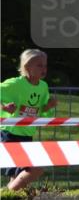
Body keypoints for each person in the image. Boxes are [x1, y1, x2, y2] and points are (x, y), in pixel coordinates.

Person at [2, 49, 58, 191]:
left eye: (45, 65)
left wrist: (49, 106)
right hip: (9, 134)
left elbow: (40, 111)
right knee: (36, 168)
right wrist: (4, 107)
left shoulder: (43, 87)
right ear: (27, 67)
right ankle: (5, 196)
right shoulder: (15, 84)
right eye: (39, 65)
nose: (43, 69)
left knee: (18, 177)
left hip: (27, 135)